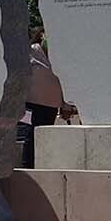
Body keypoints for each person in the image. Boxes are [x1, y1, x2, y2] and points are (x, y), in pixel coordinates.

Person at [22, 28, 70, 168]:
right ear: (42, 35)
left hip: (51, 106)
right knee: (30, 136)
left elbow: (64, 82)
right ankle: (27, 167)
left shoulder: (61, 57)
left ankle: (41, 166)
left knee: (44, 137)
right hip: (30, 104)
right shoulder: (29, 52)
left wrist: (65, 106)